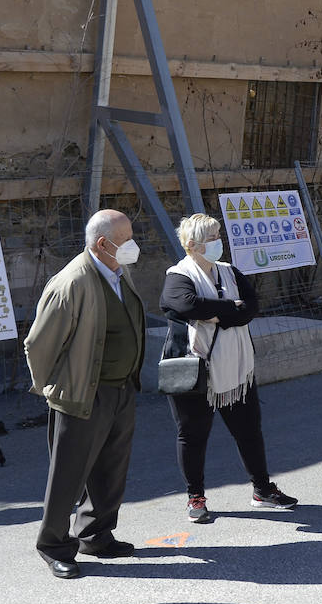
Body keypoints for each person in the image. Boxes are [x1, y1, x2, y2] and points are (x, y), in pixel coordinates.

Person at [24, 209, 144, 579]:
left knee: (111, 469)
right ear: (103, 244)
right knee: (69, 474)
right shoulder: (72, 282)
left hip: (120, 389)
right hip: (82, 393)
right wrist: (53, 389)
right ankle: (54, 545)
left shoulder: (120, 273)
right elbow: (39, 344)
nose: (133, 245)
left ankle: (96, 534)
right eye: (125, 239)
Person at [160, 213, 297, 523]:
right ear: (193, 245)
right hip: (195, 370)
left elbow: (251, 307)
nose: (218, 242)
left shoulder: (230, 272)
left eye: (218, 235)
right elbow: (184, 305)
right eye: (211, 237)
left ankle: (262, 490)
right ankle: (195, 497)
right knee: (192, 435)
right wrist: (229, 308)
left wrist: (218, 313)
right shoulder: (178, 274)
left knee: (249, 431)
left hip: (237, 368)